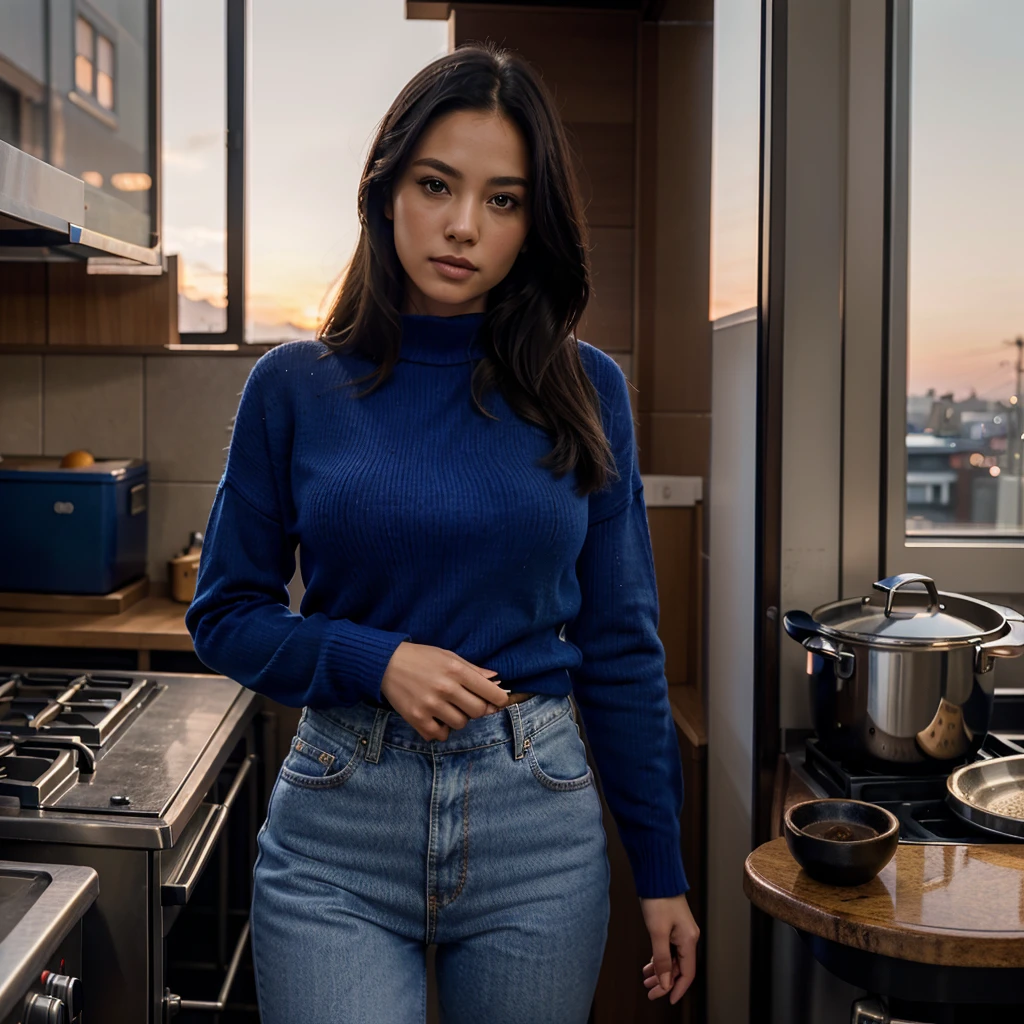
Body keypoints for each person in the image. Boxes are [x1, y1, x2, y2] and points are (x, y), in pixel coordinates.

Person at [185, 41, 699, 1024]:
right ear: (386, 191)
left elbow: (623, 645)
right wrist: (374, 659)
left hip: (536, 827)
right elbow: (225, 616)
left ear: (530, 225)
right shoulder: (292, 387)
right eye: (436, 184)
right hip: (338, 825)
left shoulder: (586, 389)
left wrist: (662, 870)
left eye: (503, 200)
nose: (463, 225)